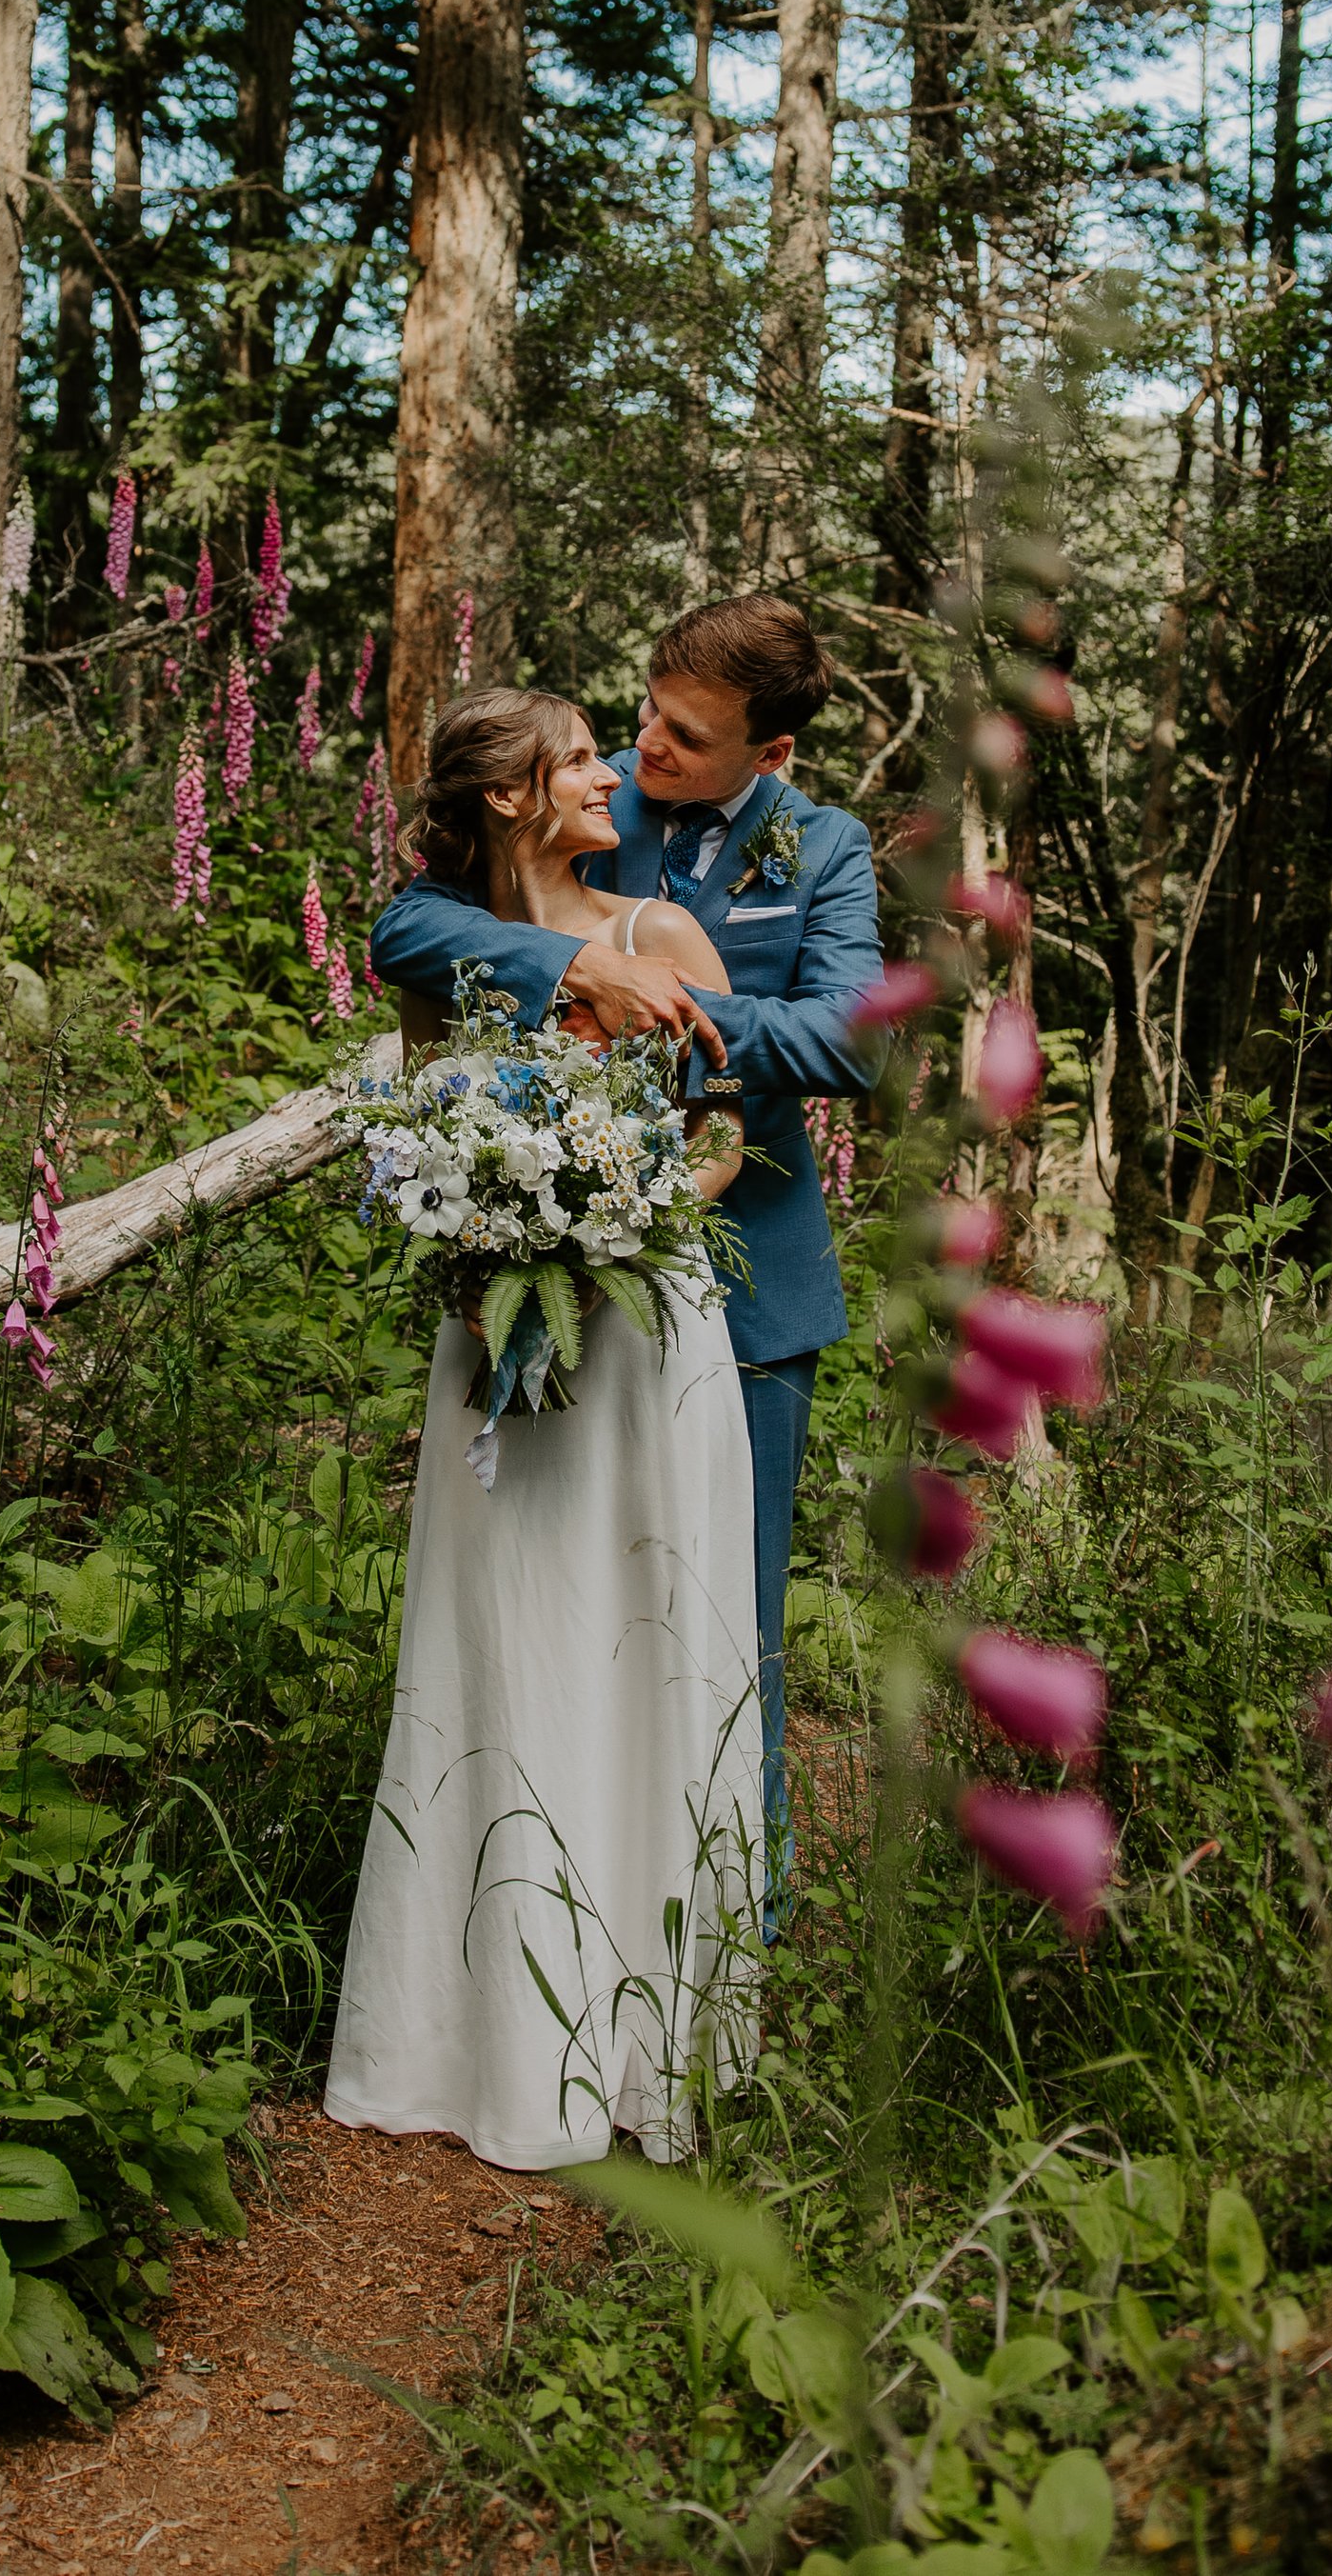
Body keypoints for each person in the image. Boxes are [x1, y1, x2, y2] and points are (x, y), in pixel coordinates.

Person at [371, 592, 883, 1884]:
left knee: (724, 1632)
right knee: (545, 1611)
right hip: (547, 1266)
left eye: (685, 733)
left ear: (768, 755)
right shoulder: (596, 801)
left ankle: (726, 1953)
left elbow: (849, 1038)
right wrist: (577, 976)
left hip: (746, 1293)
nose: (647, 744)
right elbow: (413, 927)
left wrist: (684, 1014)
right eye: (647, 709)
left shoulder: (825, 850)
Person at [324, 689, 762, 2168]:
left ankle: (640, 2037)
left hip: (639, 1328)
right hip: (490, 1337)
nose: (610, 773)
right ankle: (470, 2036)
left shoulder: (670, 934)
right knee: (498, 1637)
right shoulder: (440, 941)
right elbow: (416, 1069)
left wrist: (615, 1215)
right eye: (578, 756)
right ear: (509, 795)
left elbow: (728, 1134)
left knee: (639, 1635)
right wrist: (503, 1214)